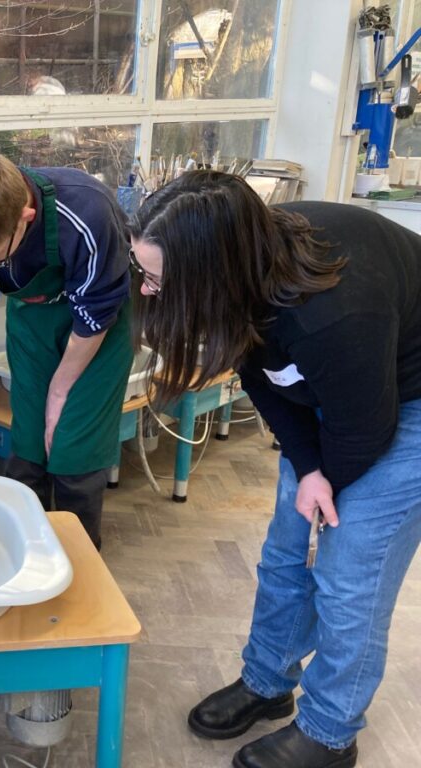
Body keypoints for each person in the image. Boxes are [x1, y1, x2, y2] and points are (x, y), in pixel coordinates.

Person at [129, 170, 421, 768]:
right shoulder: (243, 274)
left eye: (156, 278)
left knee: (348, 576)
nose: (147, 290)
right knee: (288, 547)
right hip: (349, 383)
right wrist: (308, 467)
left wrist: (325, 482)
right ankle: (267, 682)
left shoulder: (332, 314)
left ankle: (330, 732)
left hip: (406, 395)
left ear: (208, 273)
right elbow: (263, 377)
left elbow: (366, 430)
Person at [0, 149, 133, 550]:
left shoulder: (88, 214)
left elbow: (93, 318)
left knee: (74, 454)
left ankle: (79, 564)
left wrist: (59, 391)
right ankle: (27, 556)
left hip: (97, 332)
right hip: (33, 322)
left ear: (25, 218)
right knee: (29, 447)